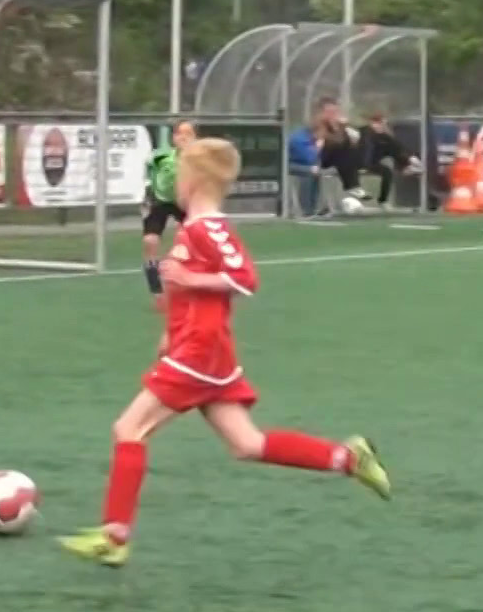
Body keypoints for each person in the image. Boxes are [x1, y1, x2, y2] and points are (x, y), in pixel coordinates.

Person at [59, 137, 392, 568]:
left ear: (194, 181)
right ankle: (348, 458)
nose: (173, 182)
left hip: (201, 350)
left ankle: (115, 535)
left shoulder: (207, 227)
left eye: (179, 174)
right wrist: (170, 331)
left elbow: (245, 278)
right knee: (246, 443)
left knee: (129, 429)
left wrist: (189, 281)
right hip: (199, 347)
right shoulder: (194, 227)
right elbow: (193, 291)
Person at [141, 119, 197, 308]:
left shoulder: (199, 159)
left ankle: (192, 285)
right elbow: (148, 177)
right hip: (160, 200)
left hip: (184, 201)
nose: (184, 138)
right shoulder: (160, 157)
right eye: (180, 133)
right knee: (150, 241)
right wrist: (148, 198)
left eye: (189, 134)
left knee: (197, 242)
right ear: (173, 138)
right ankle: (157, 292)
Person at [354, 112, 424, 209]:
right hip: (358, 162)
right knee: (378, 144)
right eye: (378, 123)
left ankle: (383, 200)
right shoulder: (365, 132)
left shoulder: (383, 136)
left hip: (372, 164)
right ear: (371, 123)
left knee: (388, 167)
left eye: (382, 124)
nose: (381, 126)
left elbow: (397, 146)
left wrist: (409, 156)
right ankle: (408, 164)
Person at [286, 123, 322, 217]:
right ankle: (306, 209)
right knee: (310, 172)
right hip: (290, 165)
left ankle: (314, 207)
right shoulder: (299, 139)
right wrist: (318, 147)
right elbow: (308, 158)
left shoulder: (312, 138)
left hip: (307, 165)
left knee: (317, 171)